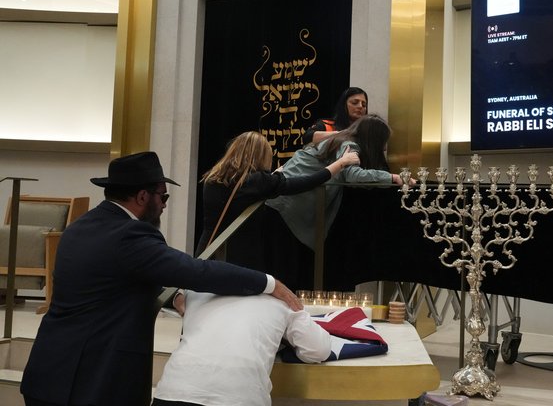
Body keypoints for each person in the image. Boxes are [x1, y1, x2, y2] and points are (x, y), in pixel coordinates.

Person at [20, 151, 301, 406]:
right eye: (163, 196)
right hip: (93, 379)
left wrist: (174, 296)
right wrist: (269, 282)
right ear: (143, 197)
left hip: (48, 372)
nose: (165, 205)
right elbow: (195, 271)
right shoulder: (130, 234)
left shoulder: (81, 227)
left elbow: (115, 276)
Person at [266, 114, 413, 290]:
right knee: (284, 273)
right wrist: (393, 177)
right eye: (383, 141)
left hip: (280, 203)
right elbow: (353, 176)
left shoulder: (339, 140)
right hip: (286, 206)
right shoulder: (349, 145)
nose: (384, 148)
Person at [195, 131, 360, 270]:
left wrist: (272, 178)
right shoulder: (258, 181)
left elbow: (244, 192)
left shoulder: (213, 177)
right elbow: (306, 182)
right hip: (240, 256)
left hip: (209, 249)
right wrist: (340, 163)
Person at [152, 291, 331, 406]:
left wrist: (178, 296)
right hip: (238, 398)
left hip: (173, 392)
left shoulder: (195, 293)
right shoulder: (281, 300)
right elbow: (318, 350)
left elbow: (174, 295)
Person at [301, 87, 368, 144]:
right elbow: (307, 138)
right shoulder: (327, 125)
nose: (360, 106)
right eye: (354, 103)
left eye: (364, 105)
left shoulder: (367, 131)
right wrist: (342, 134)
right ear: (343, 105)